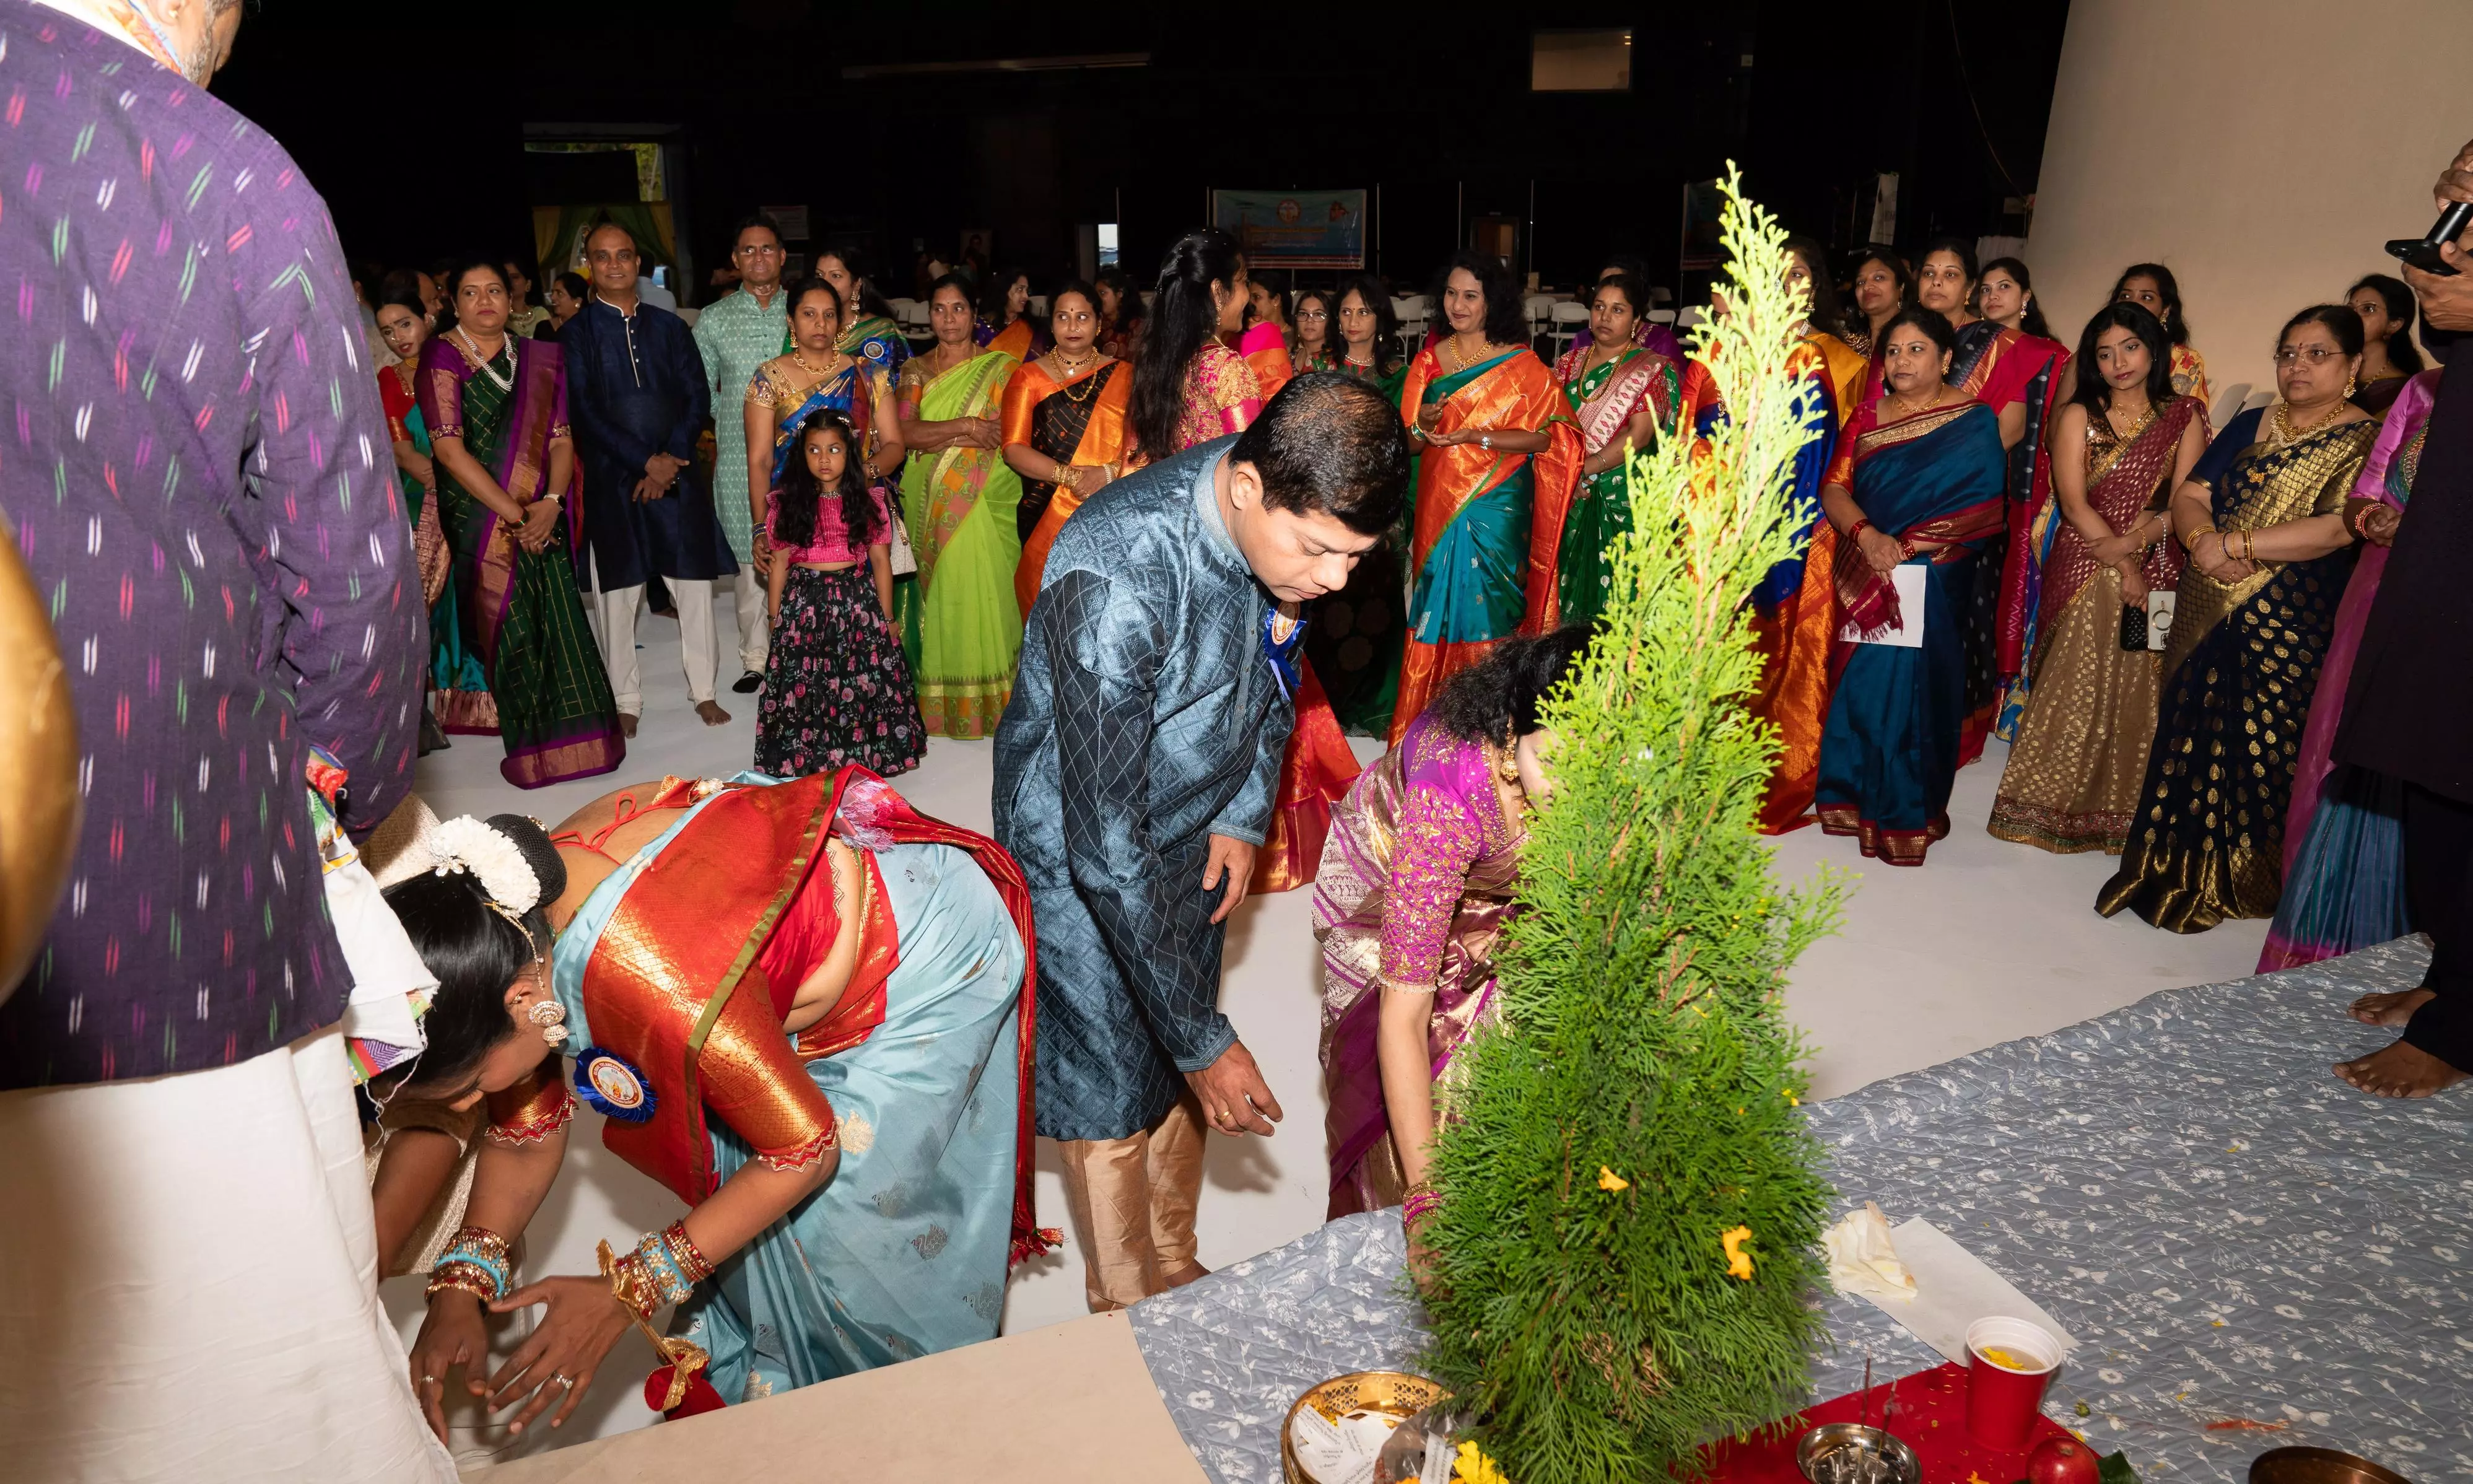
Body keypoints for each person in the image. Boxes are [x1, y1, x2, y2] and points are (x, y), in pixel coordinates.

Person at [0, 2, 452, 1477]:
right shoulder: (201, 169)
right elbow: (358, 582)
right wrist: (321, 792)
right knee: (241, 1390)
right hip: (160, 888)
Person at [393, 772, 1041, 1430]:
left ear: (522, 1004)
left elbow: (805, 1150)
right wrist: (460, 1283)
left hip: (921, 964)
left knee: (855, 1266)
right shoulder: (516, 920)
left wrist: (629, 1292)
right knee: (747, 1238)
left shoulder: (648, 975)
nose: (476, 1102)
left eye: (471, 1084)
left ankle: (897, 1436)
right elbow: (526, 1133)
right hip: (748, 1005)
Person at [995, 372, 1410, 1312]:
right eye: (1320, 551)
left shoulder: (1282, 546)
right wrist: (1203, 1040)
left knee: (1179, 1033)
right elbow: (1101, 841)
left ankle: (1173, 1258)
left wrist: (1240, 811)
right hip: (1078, 851)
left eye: (1355, 557)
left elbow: (1276, 671)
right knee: (1111, 1071)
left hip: (1195, 821)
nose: (1334, 580)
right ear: (1249, 488)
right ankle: (1128, 1311)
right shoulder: (1118, 575)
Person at [2096, 305, 2376, 930]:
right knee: (2187, 727)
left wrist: (2239, 546)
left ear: (2353, 364)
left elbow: (2337, 527)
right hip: (2205, 598)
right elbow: (2191, 494)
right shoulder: (2253, 421)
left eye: (2317, 353)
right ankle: (2164, 860)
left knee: (2262, 739)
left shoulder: (2366, 438)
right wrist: (2203, 543)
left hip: (2292, 614)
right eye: (2288, 352)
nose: (2296, 365)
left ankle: (2244, 878)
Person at [1315, 627, 1590, 1222]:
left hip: (1503, 881)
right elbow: (1402, 1015)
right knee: (1441, 1066)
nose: (1578, 792)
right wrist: (1426, 1206)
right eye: (1557, 762)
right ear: (1513, 736)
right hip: (1393, 865)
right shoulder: (1450, 798)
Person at [2329, 140, 2473, 1098]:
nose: (2446, 210)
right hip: (2445, 554)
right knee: (2433, 777)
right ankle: (2453, 978)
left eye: (2464, 196)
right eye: (2448, 194)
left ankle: (2464, 1028)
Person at [1988, 303, 2206, 854]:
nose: (2118, 362)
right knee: (2081, 660)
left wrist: (2136, 545)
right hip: (2086, 554)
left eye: (2129, 347)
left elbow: (2184, 503)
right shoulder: (2076, 415)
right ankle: (2044, 804)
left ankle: (2126, 811)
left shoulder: (2183, 416)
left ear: (2153, 350)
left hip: (2157, 557)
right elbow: (2073, 501)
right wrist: (2123, 564)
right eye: (2104, 353)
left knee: (2140, 679)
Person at [1811, 307, 2008, 866]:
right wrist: (1868, 536)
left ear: (1946, 358)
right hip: (1868, 566)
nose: (1901, 360)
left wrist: (1907, 549)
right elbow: (1834, 488)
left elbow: (1983, 505)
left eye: (1916, 349)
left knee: (1918, 692)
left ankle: (1906, 812)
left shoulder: (1972, 420)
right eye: (1893, 351)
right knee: (1864, 688)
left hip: (1933, 574)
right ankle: (1852, 798)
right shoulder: (1867, 417)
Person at [422, 261, 627, 789]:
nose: (484, 300)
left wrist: (553, 502)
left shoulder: (537, 356)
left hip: (541, 509)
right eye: (470, 292)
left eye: (494, 290)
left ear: (512, 300)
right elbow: (448, 448)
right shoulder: (441, 355)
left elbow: (561, 437)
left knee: (556, 615)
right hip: (481, 514)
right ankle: (532, 746)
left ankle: (579, 737)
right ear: (454, 302)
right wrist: (516, 515)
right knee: (508, 622)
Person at [2264, 364, 2438, 972]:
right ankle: (2326, 937)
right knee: (2347, 747)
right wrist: (2374, 518)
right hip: (2379, 591)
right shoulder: (2424, 390)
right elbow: (2367, 491)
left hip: (2450, 603)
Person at [1390, 250, 1583, 745]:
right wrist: (1425, 425)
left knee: (1492, 607)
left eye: (1470, 296)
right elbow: (1409, 438)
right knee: (1435, 599)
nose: (1457, 304)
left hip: (1498, 504)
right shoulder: (1429, 360)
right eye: (1451, 294)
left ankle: (1490, 731)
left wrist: (1478, 436)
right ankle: (1428, 728)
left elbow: (1547, 436)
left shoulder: (1521, 363)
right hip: (1439, 501)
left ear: (1491, 302)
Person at [562, 222, 738, 735]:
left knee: (694, 588)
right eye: (602, 257)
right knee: (617, 593)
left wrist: (670, 459)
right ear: (590, 267)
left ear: (638, 264)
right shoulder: (574, 335)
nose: (614, 264)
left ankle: (703, 691)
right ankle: (625, 699)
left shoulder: (671, 329)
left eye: (624, 255)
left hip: (677, 475)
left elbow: (696, 399)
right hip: (614, 481)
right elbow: (585, 412)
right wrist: (644, 463)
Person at [1739, 237, 1873, 834]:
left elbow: (1848, 451)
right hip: (1735, 522)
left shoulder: (1840, 360)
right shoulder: (1734, 351)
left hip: (1804, 523)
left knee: (1792, 647)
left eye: (1798, 273)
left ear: (1814, 284)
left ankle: (1778, 763)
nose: (1787, 283)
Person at [756, 411, 923, 778]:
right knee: (809, 683)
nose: (825, 459)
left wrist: (888, 618)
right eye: (814, 450)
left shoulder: (868, 501)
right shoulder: (787, 503)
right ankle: (813, 761)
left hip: (857, 604)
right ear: (802, 456)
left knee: (859, 683)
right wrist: (774, 618)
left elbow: (881, 563)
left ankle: (859, 761)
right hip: (805, 605)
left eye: (834, 449)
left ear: (850, 454)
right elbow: (781, 562)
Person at [896, 272, 1026, 739]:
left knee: (986, 585)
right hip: (929, 498)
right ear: (928, 315)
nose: (948, 319)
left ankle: (996, 700)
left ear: (974, 314)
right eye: (938, 309)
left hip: (986, 496)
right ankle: (941, 701)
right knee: (945, 591)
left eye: (957, 309)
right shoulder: (915, 371)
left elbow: (1007, 434)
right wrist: (969, 426)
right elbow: (907, 434)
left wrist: (948, 434)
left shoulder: (1003, 369)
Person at [743, 282, 909, 608]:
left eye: (829, 315)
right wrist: (761, 527)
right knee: (799, 620)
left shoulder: (868, 374)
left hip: (855, 517)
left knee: (859, 618)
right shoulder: (770, 378)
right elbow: (761, 460)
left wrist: (861, 473)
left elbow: (894, 445)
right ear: (791, 321)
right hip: (796, 519)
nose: (820, 324)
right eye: (809, 314)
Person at [377, 288, 493, 748]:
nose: (397, 337)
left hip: (479, 489)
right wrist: (442, 481)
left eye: (404, 323)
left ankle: (490, 694)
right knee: (436, 599)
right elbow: (403, 450)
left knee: (478, 590)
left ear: (427, 317)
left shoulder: (461, 362)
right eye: (387, 330)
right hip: (422, 498)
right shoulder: (390, 379)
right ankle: (446, 698)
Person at [693, 214, 795, 696]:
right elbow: (700, 390)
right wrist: (736, 421)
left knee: (808, 547)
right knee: (749, 553)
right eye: (748, 251)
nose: (759, 258)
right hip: (738, 457)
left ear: (783, 256)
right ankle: (757, 658)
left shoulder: (803, 313)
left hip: (802, 455)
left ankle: (799, 649)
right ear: (735, 261)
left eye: (767, 249)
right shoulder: (713, 319)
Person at [1307, 272, 1413, 736]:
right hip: (1329, 504)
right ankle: (1327, 708)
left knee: (1378, 603)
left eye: (1363, 311)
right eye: (1346, 311)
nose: (1353, 320)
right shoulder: (1319, 372)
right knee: (1329, 605)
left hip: (1380, 508)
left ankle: (1374, 708)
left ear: (1380, 319)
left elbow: (1409, 444)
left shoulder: (1400, 377)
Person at [1981, 256, 2079, 739]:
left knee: (2016, 586)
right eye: (1985, 288)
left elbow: (2052, 427)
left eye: (2004, 286)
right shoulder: (1965, 349)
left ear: (2026, 298)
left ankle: (2010, 706)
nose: (1992, 296)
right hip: (1970, 489)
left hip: (2027, 487)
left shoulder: (2050, 353)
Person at [1550, 273, 1678, 628]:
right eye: (1599, 307)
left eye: (1618, 310)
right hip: (1567, 492)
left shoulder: (1651, 370)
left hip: (1621, 497)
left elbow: (1638, 438)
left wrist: (1585, 468)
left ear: (1637, 319)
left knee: (1617, 602)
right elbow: (1552, 426)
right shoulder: (1567, 364)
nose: (1605, 317)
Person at [1003, 278, 1132, 614]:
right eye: (1063, 317)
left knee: (1103, 610)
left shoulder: (1127, 376)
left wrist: (1105, 474)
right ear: (1052, 323)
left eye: (1083, 317)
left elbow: (1146, 446)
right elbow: (1013, 449)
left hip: (1109, 505)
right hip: (1045, 508)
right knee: (1047, 612)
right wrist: (1072, 478)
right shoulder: (1027, 377)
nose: (1072, 326)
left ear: (1100, 323)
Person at [1127, 228, 1263, 465]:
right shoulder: (1226, 367)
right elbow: (1247, 465)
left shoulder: (1160, 358)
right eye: (1243, 281)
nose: (1248, 295)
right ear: (1218, 291)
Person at [2113, 263, 2210, 404]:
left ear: (2165, 310)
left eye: (2146, 297)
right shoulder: (2099, 353)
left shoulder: (2183, 360)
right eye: (2125, 296)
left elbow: (2178, 420)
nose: (2132, 304)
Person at [818, 245, 912, 377]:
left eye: (835, 276)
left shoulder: (882, 331)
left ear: (856, 284)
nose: (824, 283)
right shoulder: (803, 328)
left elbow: (906, 380)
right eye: (819, 275)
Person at [2345, 273, 2424, 418]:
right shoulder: (2332, 376)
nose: (2354, 316)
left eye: (2368, 309)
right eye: (2351, 309)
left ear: (2394, 325)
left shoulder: (2405, 391)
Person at [1847, 249, 1909, 359]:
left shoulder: (1915, 341)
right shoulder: (1848, 346)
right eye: (1861, 282)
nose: (1867, 287)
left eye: (1879, 278)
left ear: (1901, 288)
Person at [975, 268, 1047, 362]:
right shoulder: (981, 327)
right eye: (1020, 289)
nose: (1026, 296)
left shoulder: (1031, 327)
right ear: (1004, 290)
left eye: (1027, 291)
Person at [1096, 264, 1146, 361]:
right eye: (1096, 294)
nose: (1098, 298)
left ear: (1119, 294)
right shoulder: (1097, 323)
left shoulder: (1137, 326)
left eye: (1102, 293)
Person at [1291, 286, 1338, 373]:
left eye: (1318, 314)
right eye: (1303, 314)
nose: (1309, 320)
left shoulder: (1336, 362)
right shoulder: (1290, 357)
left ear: (1329, 321)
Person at [502, 259, 549, 340]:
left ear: (528, 284)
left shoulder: (541, 315)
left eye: (515, 277)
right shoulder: (500, 317)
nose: (510, 282)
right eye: (506, 277)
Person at [539, 271, 587, 339]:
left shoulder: (589, 329)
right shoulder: (544, 328)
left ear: (578, 301)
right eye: (553, 292)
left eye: (560, 294)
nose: (553, 297)